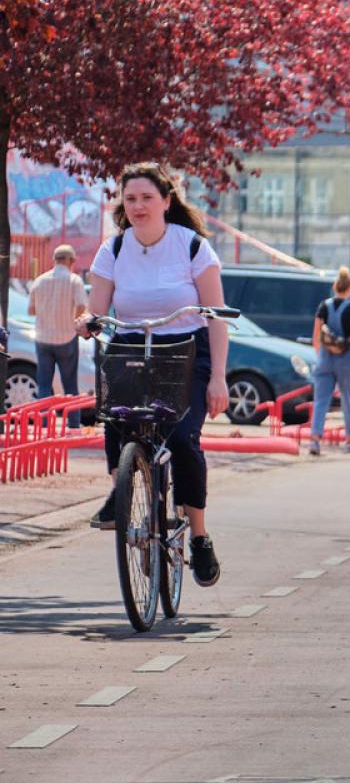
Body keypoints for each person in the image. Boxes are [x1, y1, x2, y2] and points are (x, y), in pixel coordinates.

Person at [79, 163, 229, 587]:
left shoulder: (193, 247)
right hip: (130, 348)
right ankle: (121, 491)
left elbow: (216, 318)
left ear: (166, 200)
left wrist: (218, 377)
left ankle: (198, 536)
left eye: (147, 198)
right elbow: (98, 309)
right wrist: (87, 321)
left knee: (182, 439)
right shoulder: (114, 249)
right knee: (115, 415)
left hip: (186, 351)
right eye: (130, 199)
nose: (139, 206)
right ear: (122, 205)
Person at [308, 267, 350, 455]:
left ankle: (314, 439)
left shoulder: (323, 306)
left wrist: (321, 354)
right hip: (345, 360)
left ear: (335, 286)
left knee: (321, 401)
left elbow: (316, 335)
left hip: (325, 359)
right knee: (348, 399)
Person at [30, 243, 87, 427]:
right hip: (66, 339)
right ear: (71, 261)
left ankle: (44, 426)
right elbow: (81, 305)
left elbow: (31, 310)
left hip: (43, 339)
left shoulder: (39, 280)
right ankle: (73, 425)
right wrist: (73, 321)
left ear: (54, 260)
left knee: (44, 385)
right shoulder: (74, 280)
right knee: (70, 385)